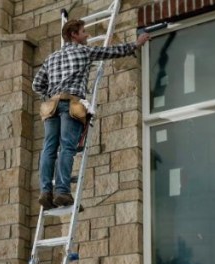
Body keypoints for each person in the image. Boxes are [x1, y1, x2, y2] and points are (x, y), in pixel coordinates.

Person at [32, 20, 151, 209]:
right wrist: (136, 43)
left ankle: (46, 191)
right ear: (73, 35)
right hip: (71, 104)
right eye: (83, 32)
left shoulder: (51, 58)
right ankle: (62, 191)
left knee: (48, 149)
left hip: (50, 106)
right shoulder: (83, 52)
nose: (87, 35)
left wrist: (51, 94)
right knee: (67, 148)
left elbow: (37, 85)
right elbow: (111, 52)